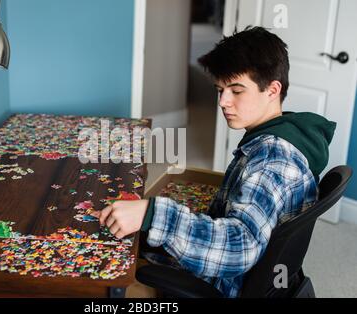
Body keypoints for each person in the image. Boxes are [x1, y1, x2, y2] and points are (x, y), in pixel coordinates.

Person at [91, 26, 336, 298]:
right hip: (253, 278)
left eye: (237, 90)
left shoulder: (271, 159)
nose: (223, 101)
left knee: (100, 280)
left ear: (272, 90)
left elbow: (238, 248)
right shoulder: (287, 135)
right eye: (220, 89)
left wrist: (152, 214)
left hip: (223, 283)